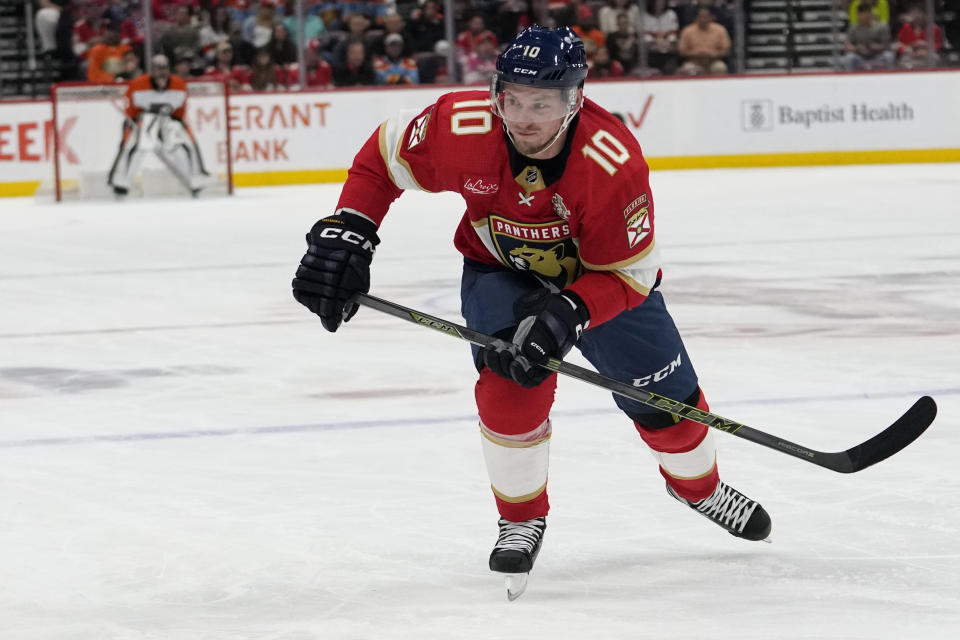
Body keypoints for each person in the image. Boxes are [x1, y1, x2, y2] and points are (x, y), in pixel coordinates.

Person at [291, 26, 771, 597]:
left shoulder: (611, 164)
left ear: (575, 99)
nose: (522, 116)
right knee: (508, 384)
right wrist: (354, 225)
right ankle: (520, 518)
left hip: (601, 280)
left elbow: (632, 272)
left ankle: (698, 488)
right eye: (511, 98)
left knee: (667, 403)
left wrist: (572, 311)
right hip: (501, 271)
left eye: (541, 103)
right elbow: (384, 157)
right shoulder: (463, 127)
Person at [107, 55, 211, 197]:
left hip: (169, 123)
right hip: (143, 123)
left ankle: (196, 179)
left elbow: (180, 114)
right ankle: (121, 182)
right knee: (132, 148)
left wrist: (175, 126)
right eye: (157, 68)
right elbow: (130, 112)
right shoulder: (138, 84)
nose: (161, 72)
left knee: (185, 147)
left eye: (164, 68)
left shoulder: (179, 85)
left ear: (168, 69)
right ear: (152, 70)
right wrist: (137, 124)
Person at [677, 5, 730, 75]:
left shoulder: (720, 30)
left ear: (711, 17)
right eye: (701, 16)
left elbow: (726, 50)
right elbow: (681, 51)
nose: (703, 19)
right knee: (687, 69)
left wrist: (713, 54)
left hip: (713, 61)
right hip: (693, 61)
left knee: (720, 67)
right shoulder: (688, 31)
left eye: (706, 16)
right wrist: (697, 54)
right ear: (696, 17)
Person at [839, 3, 894, 70]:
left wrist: (875, 47)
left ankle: (889, 78)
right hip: (859, 56)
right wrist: (857, 48)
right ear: (858, 15)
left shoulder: (882, 27)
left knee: (888, 56)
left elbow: (887, 45)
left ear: (871, 14)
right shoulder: (853, 28)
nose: (864, 18)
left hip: (878, 55)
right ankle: (849, 79)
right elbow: (847, 45)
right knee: (848, 58)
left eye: (867, 16)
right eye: (862, 16)